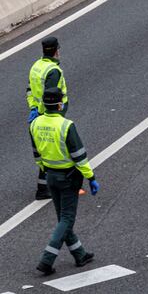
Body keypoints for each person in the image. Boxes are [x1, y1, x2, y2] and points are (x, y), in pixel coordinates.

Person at [30, 87, 99, 276]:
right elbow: (79, 156)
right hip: (68, 178)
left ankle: (80, 254)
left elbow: (36, 154)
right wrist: (91, 177)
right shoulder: (66, 125)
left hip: (50, 177)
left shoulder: (35, 124)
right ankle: (47, 259)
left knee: (63, 220)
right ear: (60, 104)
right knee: (67, 219)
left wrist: (46, 170)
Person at [26, 36, 69, 200]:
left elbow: (29, 90)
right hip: (51, 114)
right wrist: (52, 113)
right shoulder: (53, 71)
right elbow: (50, 95)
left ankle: (43, 187)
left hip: (39, 114)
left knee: (45, 150)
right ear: (57, 50)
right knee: (55, 149)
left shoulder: (36, 66)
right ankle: (54, 186)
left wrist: (33, 107)